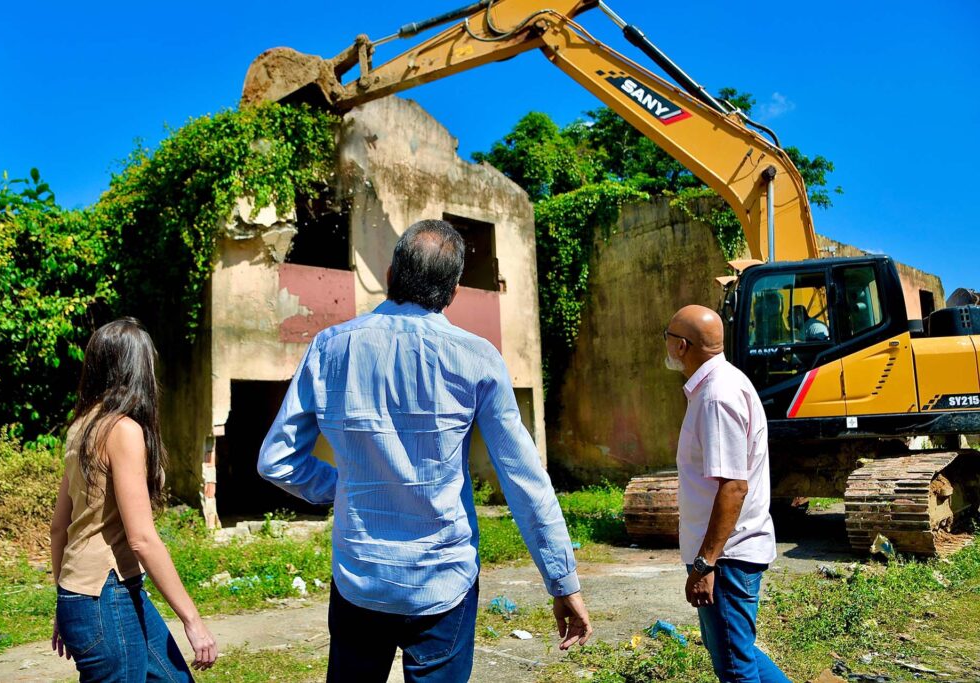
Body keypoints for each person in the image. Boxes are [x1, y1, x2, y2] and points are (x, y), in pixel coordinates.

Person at [258, 219, 592, 682]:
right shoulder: (477, 357)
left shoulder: (330, 349)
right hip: (444, 582)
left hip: (360, 577)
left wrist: (342, 487)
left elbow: (277, 460)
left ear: (391, 276)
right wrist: (563, 581)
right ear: (453, 291)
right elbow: (525, 480)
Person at [50, 318, 217, 681]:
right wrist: (193, 621)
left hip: (100, 594)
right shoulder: (122, 430)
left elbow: (59, 526)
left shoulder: (80, 427)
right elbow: (142, 538)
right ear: (137, 369)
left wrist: (65, 604)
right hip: (105, 597)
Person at [663, 305, 789, 683]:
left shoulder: (717, 396)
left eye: (667, 338)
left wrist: (705, 564)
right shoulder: (718, 385)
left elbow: (733, 487)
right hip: (725, 554)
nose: (666, 346)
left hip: (726, 557)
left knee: (735, 669)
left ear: (682, 346)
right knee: (737, 651)